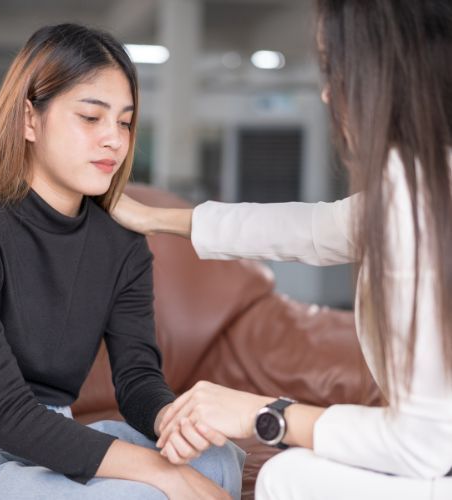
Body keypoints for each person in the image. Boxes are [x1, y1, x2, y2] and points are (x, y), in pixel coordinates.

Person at [112, 1, 452, 498]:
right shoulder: (427, 179)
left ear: (383, 73)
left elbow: (427, 444)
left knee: (287, 476)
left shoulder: (415, 197)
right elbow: (312, 228)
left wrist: (263, 414)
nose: (326, 92)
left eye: (334, 68)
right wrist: (153, 218)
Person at [0, 23, 245, 500]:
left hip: (57, 433)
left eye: (125, 121)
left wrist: (170, 420)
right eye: (91, 117)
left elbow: (136, 378)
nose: (114, 139)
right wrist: (161, 472)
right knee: (147, 493)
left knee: (218, 460)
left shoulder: (122, 242)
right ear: (30, 119)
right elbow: (7, 416)